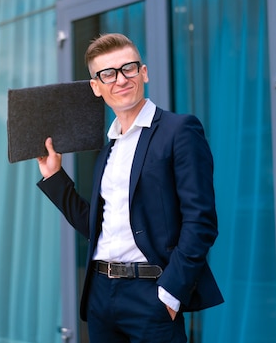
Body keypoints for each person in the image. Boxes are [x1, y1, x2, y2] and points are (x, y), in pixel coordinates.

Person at [36, 33, 223, 343]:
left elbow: (201, 221)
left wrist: (171, 293)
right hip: (100, 294)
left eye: (129, 68)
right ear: (96, 87)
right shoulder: (109, 148)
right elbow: (96, 226)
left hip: (152, 295)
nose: (120, 79)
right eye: (108, 74)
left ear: (144, 72)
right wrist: (55, 177)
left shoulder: (179, 130)